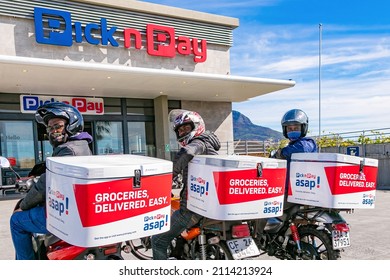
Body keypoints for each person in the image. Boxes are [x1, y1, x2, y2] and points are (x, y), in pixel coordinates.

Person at [10, 102, 93, 260]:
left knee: (16, 221)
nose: (53, 131)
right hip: (75, 207)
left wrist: (23, 205)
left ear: (71, 125)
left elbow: (45, 184)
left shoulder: (67, 150)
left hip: (64, 214)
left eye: (58, 126)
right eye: (50, 128)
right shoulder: (82, 145)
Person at [151, 110, 221, 260]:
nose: (182, 132)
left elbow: (186, 153)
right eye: (180, 130)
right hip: (210, 205)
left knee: (157, 240)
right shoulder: (210, 144)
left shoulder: (199, 142)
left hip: (192, 209)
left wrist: (163, 180)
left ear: (197, 126)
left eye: (186, 128)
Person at [256, 109, 317, 245]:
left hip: (295, 192)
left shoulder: (308, 143)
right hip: (292, 191)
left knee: (263, 206)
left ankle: (256, 239)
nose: (292, 130)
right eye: (290, 128)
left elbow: (302, 149)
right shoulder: (291, 146)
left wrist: (281, 152)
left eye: (296, 127)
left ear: (304, 128)